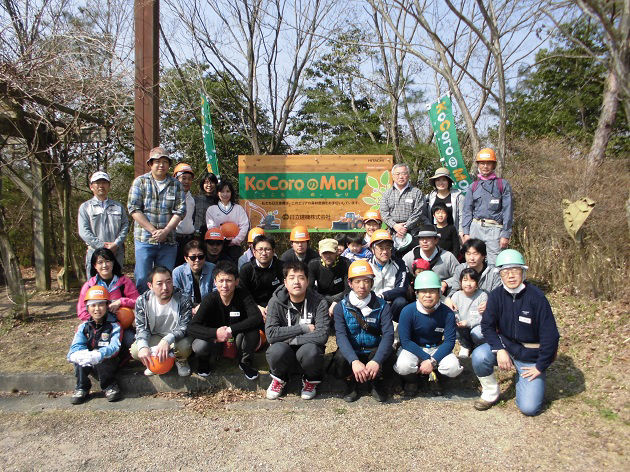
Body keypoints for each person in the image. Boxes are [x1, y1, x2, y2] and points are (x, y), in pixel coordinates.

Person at [472, 249, 559, 416]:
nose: (510, 276)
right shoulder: (496, 296)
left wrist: (540, 366)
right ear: (500, 275)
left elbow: (551, 336)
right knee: (479, 356)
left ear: (523, 272)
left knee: (529, 408)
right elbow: (487, 326)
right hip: (507, 346)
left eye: (515, 270)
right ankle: (490, 392)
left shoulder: (537, 298)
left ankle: (523, 379)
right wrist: (499, 349)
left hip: (531, 355)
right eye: (505, 272)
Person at [265, 261, 329, 400]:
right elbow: (270, 334)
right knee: (275, 351)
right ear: (285, 282)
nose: (296, 282)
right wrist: (303, 328)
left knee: (312, 352)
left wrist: (290, 339)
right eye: (292, 278)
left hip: (307, 349)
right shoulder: (275, 302)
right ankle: (279, 379)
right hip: (284, 350)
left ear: (307, 281)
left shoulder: (319, 302)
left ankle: (310, 381)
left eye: (301, 277)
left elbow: (322, 335)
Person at [188, 261, 263, 379]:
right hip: (215, 341)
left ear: (236, 282)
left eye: (229, 280)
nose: (224, 285)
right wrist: (215, 333)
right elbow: (192, 327)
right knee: (199, 345)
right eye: (221, 281)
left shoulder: (243, 296)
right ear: (215, 282)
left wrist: (230, 330)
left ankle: (245, 362)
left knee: (254, 333)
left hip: (236, 339)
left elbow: (257, 318)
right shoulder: (209, 299)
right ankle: (204, 362)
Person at [332, 260, 394, 403]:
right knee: (340, 359)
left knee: (388, 356)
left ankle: (376, 383)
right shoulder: (341, 307)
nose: (362, 286)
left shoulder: (382, 306)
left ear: (372, 283)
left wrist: (377, 360)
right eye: (357, 281)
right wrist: (354, 360)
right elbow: (340, 336)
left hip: (373, 348)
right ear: (350, 283)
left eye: (366, 281)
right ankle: (351, 383)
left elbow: (388, 335)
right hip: (353, 349)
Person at [394, 271, 463, 397]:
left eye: (432, 291)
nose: (428, 295)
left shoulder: (447, 313)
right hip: (413, 347)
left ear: (439, 293)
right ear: (416, 293)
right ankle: (413, 381)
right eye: (423, 291)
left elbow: (449, 342)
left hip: (436, 347)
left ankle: (435, 378)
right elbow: (405, 341)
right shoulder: (408, 311)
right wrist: (426, 359)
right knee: (403, 366)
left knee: (453, 368)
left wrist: (432, 361)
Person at [127, 146, 186, 293]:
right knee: (142, 278)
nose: (161, 165)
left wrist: (165, 231)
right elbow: (134, 209)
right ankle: (143, 311)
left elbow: (181, 211)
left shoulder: (176, 185)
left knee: (166, 279)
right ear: (150, 164)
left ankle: (163, 311)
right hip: (144, 240)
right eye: (157, 162)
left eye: (165, 161)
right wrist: (153, 231)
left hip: (168, 241)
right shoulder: (140, 182)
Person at [130, 266, 193, 377]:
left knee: (185, 347)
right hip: (155, 337)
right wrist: (143, 346)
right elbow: (141, 327)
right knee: (136, 349)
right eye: (159, 283)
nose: (165, 287)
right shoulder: (143, 301)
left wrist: (167, 340)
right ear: (150, 286)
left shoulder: (182, 298)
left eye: (168, 282)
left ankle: (180, 360)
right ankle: (154, 362)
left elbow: (185, 326)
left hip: (176, 338)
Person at [67, 286, 122, 404]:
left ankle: (110, 385)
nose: (97, 309)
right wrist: (79, 355)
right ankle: (82, 387)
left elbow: (115, 347)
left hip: (108, 360)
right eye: (93, 305)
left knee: (104, 361)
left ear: (107, 306)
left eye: (101, 304)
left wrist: (99, 354)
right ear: (87, 308)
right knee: (79, 359)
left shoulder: (114, 326)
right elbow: (76, 344)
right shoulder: (83, 327)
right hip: (89, 361)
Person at [462, 148, 513, 265]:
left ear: (493, 165)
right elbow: (467, 210)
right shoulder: (473, 186)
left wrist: (505, 234)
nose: (485, 166)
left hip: (495, 229)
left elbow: (508, 211)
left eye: (488, 163)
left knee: (494, 264)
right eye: (482, 163)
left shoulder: (502, 184)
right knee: (473, 263)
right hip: (476, 228)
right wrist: (466, 232)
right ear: (478, 165)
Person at [78, 171, 129, 279]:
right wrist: (102, 247)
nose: (101, 186)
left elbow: (125, 226)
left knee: (116, 286)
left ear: (109, 186)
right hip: (94, 253)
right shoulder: (85, 207)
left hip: (116, 253)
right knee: (95, 288)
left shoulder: (118, 206)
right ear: (91, 186)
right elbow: (84, 231)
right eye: (97, 183)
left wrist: (116, 244)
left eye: (104, 182)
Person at [379, 163, 430, 243]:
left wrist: (405, 227)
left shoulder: (416, 192)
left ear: (408, 175)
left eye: (404, 173)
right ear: (392, 176)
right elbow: (384, 213)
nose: (401, 177)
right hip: (392, 232)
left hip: (412, 232)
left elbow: (418, 212)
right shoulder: (387, 193)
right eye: (397, 174)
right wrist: (395, 226)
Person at [402, 225, 459, 294]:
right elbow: (400, 274)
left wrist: (446, 283)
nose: (424, 241)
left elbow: (460, 275)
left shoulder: (447, 257)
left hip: (442, 295)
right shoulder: (410, 257)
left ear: (436, 240)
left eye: (429, 238)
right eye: (421, 238)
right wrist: (407, 284)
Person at [367, 229, 409, 322]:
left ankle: (393, 326)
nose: (385, 251)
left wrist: (383, 296)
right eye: (381, 248)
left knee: (401, 301)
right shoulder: (366, 265)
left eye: (388, 247)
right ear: (372, 249)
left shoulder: (399, 263)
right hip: (371, 303)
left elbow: (402, 288)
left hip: (391, 303)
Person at [238, 235, 284, 321]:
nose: (264, 253)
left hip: (277, 307)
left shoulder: (282, 267)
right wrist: (257, 308)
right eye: (260, 249)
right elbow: (243, 294)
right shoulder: (246, 269)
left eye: (267, 249)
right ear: (254, 252)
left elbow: (285, 291)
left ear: (273, 251)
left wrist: (272, 306)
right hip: (253, 308)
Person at [448, 268, 488, 358]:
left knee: (478, 333)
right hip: (461, 326)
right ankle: (465, 345)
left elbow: (483, 317)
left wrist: (468, 322)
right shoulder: (456, 295)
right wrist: (457, 320)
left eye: (472, 280)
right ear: (460, 282)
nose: (468, 284)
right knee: (456, 328)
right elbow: (454, 312)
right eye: (465, 280)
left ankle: (477, 346)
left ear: (477, 283)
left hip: (476, 325)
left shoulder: (482, 295)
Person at [205, 180, 249, 262]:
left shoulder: (238, 208)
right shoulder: (211, 209)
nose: (225, 194)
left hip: (235, 246)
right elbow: (212, 227)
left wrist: (235, 240)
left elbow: (244, 225)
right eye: (222, 191)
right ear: (217, 193)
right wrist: (223, 240)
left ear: (231, 193)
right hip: (217, 245)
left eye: (228, 191)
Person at [308, 238, 350, 317]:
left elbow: (349, 288)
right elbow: (309, 288)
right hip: (321, 297)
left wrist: (336, 302)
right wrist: (322, 303)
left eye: (331, 253)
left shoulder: (345, 263)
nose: (328, 256)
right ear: (319, 253)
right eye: (325, 253)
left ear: (337, 252)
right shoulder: (313, 264)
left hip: (342, 297)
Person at [172, 239, 215, 314]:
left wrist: (203, 306)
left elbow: (217, 292)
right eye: (193, 257)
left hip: (209, 308)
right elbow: (176, 297)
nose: (197, 260)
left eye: (200, 257)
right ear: (186, 258)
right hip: (185, 310)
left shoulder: (213, 269)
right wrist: (190, 310)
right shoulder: (177, 272)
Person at [427, 167, 464, 241]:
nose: (441, 183)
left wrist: (461, 232)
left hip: (453, 235)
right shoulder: (429, 197)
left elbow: (462, 216)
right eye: (438, 180)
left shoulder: (458, 197)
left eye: (444, 180)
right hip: (433, 235)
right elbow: (425, 216)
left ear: (448, 182)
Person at [173, 163, 196, 267]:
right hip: (174, 239)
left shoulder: (192, 199)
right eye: (183, 178)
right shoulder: (170, 197)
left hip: (189, 240)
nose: (186, 181)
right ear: (176, 178)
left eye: (189, 179)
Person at [194, 171, 219, 237]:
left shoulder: (219, 201)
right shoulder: (196, 199)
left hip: (214, 235)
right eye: (206, 182)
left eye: (212, 182)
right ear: (202, 184)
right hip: (198, 234)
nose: (209, 185)